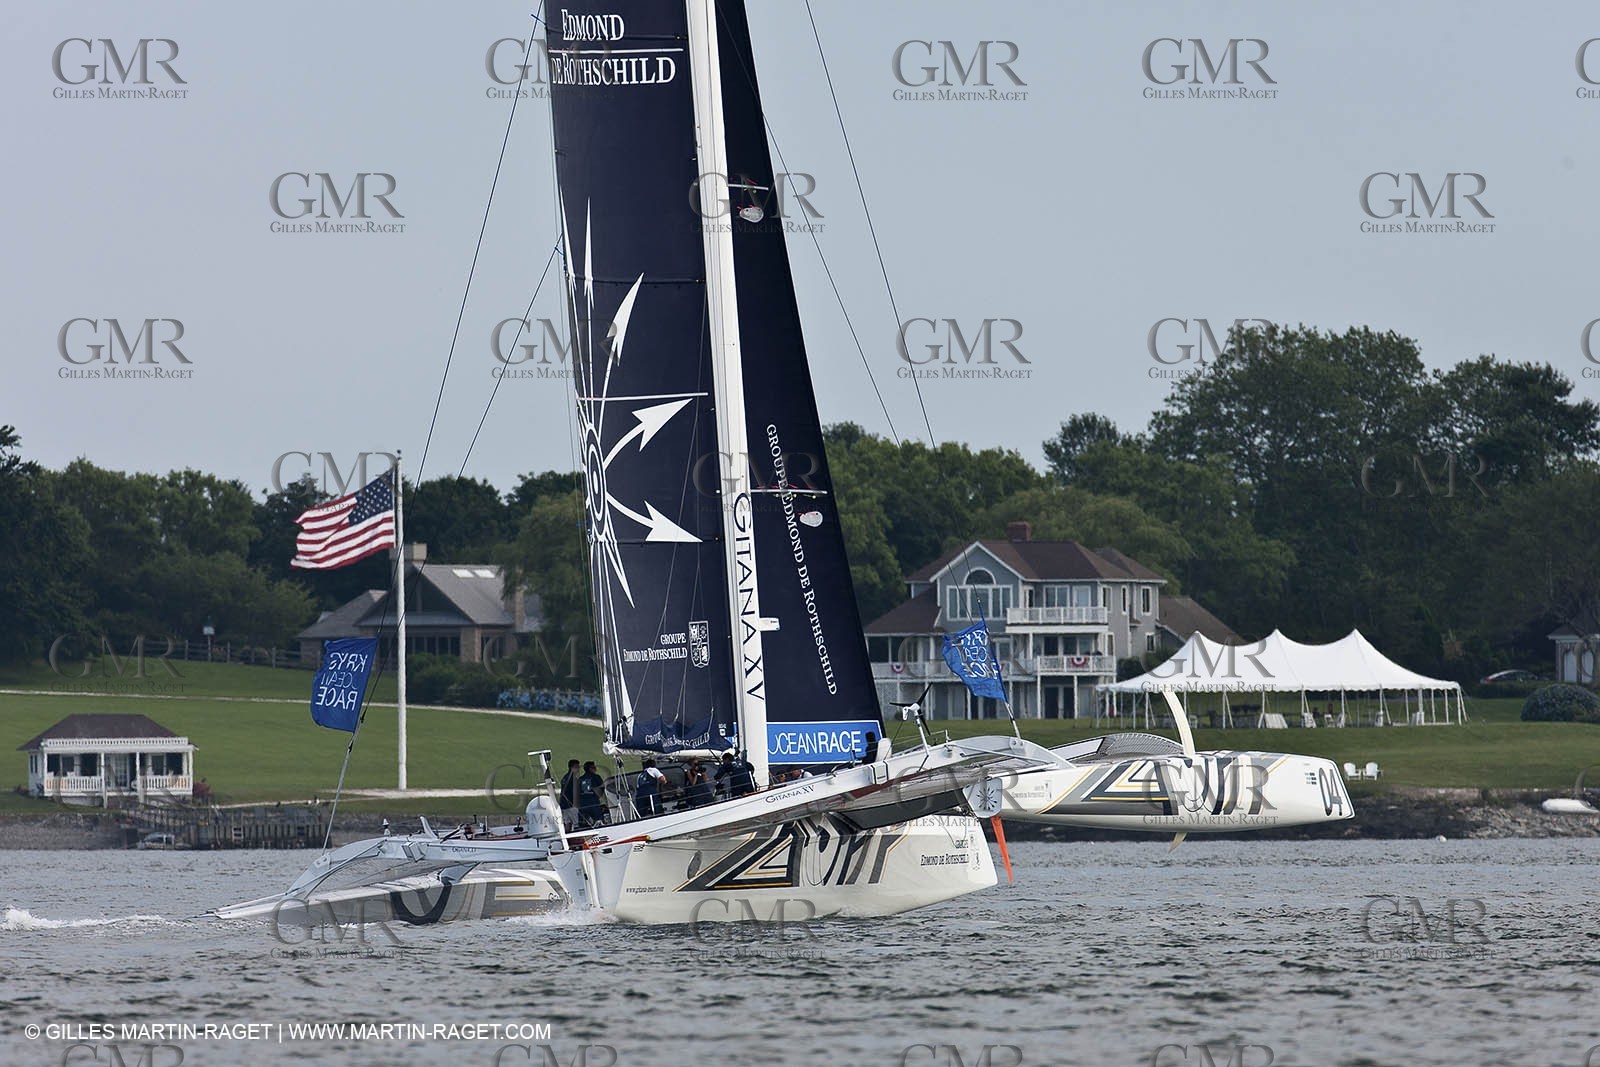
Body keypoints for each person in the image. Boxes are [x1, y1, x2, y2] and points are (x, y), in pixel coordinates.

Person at [577, 760, 607, 827]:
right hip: (593, 802)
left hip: (582, 803)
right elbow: (602, 788)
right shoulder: (596, 777)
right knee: (598, 821)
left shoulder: (580, 779)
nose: (596, 769)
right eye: (594, 767)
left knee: (583, 823)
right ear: (590, 769)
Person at [559, 759, 580, 826]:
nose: (578, 769)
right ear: (572, 768)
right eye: (577, 767)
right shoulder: (573, 779)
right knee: (575, 823)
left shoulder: (564, 778)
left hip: (564, 805)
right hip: (571, 805)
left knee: (567, 823)